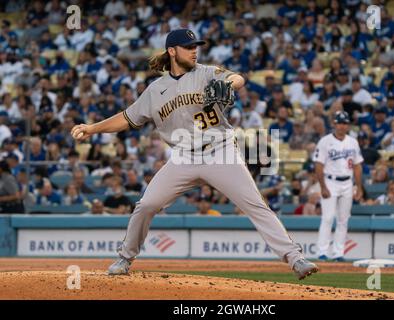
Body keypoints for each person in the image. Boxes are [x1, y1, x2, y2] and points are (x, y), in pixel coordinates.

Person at [71, 29, 317, 279]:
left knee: (255, 205)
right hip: (183, 157)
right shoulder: (156, 90)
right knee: (146, 205)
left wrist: (227, 83)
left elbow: (237, 78)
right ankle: (125, 258)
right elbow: (127, 118)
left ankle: (295, 258)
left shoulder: (207, 73)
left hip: (219, 151)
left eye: (195, 46)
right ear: (172, 51)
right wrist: (92, 128)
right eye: (188, 46)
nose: (194, 50)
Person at [314, 111, 364, 262]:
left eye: (345, 123)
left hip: (347, 182)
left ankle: (338, 252)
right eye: (339, 122)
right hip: (330, 181)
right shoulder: (325, 141)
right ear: (334, 124)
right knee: (328, 217)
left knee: (343, 219)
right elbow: (318, 165)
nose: (342, 126)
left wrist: (359, 187)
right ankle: (322, 252)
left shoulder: (353, 142)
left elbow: (357, 166)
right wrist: (322, 186)